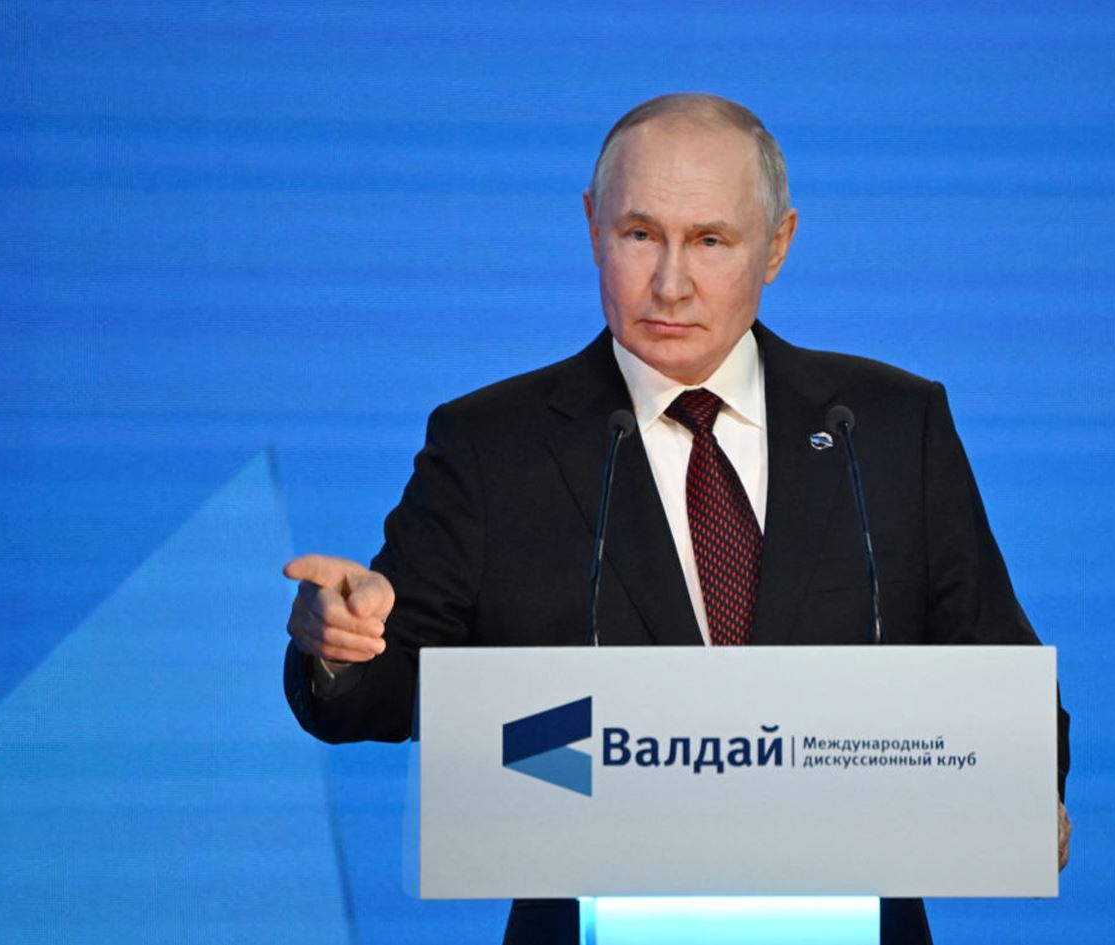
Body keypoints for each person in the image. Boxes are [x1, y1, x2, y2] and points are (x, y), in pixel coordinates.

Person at [283, 92, 1072, 945]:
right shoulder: (492, 446)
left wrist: (1024, 789)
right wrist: (341, 646)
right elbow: (388, 688)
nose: (670, 283)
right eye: (639, 234)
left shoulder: (884, 428)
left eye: (709, 241)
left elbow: (1003, 680)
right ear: (592, 226)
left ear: (777, 245)